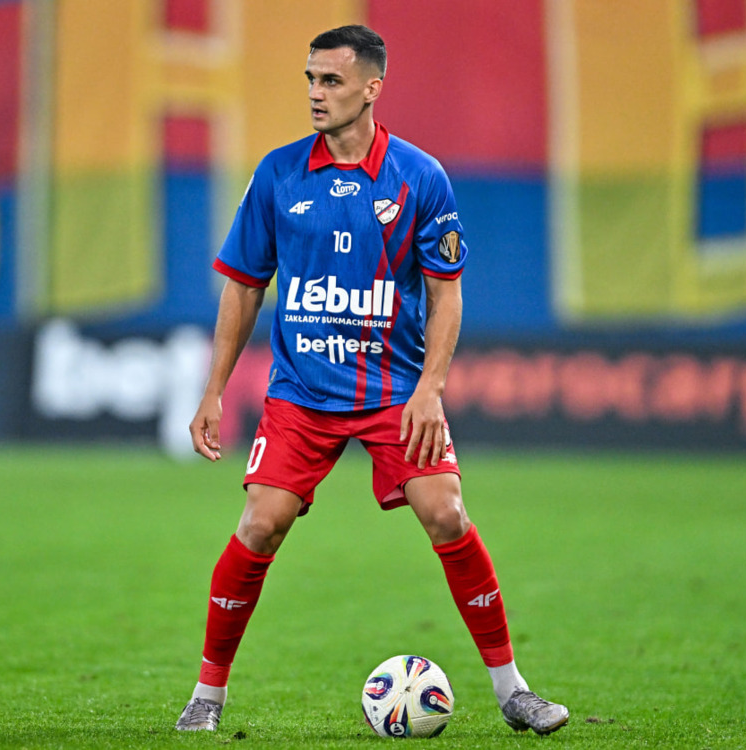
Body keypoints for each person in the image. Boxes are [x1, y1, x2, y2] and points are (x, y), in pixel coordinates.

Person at [175, 24, 568, 736]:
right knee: (261, 523)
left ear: (371, 87)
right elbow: (243, 287)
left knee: (446, 512)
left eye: (330, 80)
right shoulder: (278, 174)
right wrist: (212, 390)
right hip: (302, 393)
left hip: (393, 391)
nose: (315, 93)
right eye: (309, 79)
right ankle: (207, 696)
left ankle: (513, 691)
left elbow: (446, 292)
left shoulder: (419, 177)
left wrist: (430, 388)